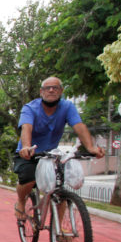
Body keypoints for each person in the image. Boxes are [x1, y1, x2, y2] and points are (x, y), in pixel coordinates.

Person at [13, 76, 104, 220]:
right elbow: (26, 128)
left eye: (55, 88)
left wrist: (91, 147)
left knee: (58, 190)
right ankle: (21, 200)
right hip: (30, 153)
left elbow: (79, 127)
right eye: (47, 88)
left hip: (51, 155)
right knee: (29, 179)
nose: (51, 90)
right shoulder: (30, 108)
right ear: (41, 91)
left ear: (61, 91)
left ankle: (59, 231)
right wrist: (26, 147)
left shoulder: (67, 107)